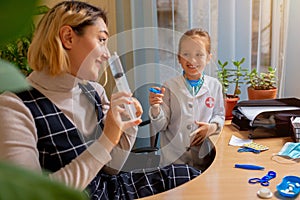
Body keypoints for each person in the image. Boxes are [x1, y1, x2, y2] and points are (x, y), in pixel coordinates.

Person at [0, 1, 200, 199]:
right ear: (68, 37)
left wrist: (127, 127)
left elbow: (111, 169)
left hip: (111, 188)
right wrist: (107, 139)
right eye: (101, 40)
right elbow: (31, 195)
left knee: (188, 176)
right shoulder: (15, 108)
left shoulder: (92, 91)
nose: (106, 54)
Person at [149, 28, 225, 171]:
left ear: (209, 58)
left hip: (204, 161)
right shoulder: (170, 86)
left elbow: (219, 115)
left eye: (199, 54)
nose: (192, 60)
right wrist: (155, 108)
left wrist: (212, 127)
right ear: (179, 58)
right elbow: (161, 126)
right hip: (173, 162)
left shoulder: (215, 86)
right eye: (186, 54)